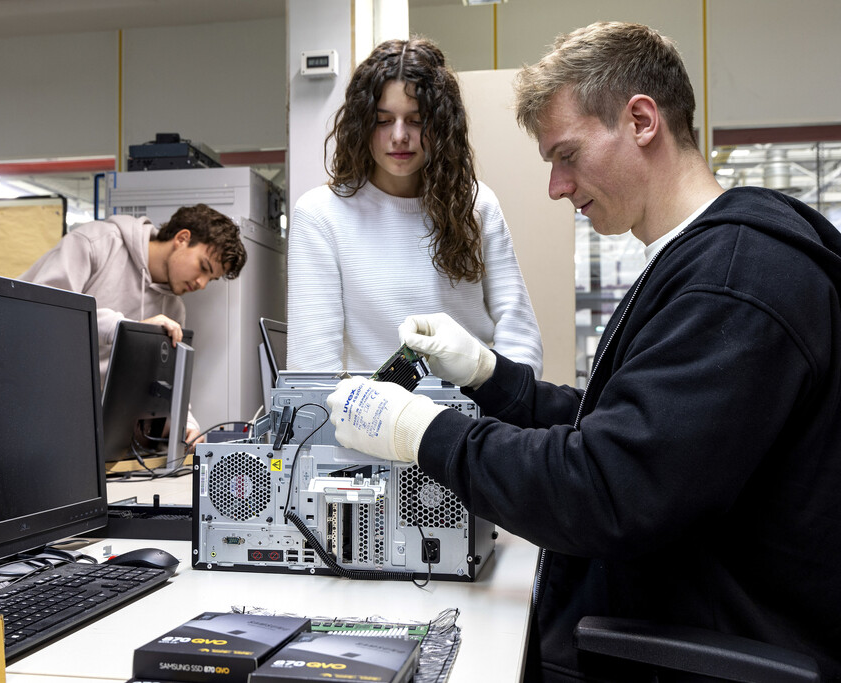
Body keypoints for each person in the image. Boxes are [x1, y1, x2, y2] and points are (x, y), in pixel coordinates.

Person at [326, 21, 841, 682]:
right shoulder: (701, 261)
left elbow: (605, 488)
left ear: (641, 121)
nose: (556, 186)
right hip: (664, 614)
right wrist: (491, 377)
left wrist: (424, 432)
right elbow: (625, 429)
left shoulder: (735, 283)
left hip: (684, 651)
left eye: (566, 155)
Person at [286, 37, 543, 377]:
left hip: (473, 409)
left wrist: (504, 401)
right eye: (383, 120)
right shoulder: (320, 214)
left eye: (416, 119)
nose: (399, 136)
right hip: (368, 410)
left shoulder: (477, 204)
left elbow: (520, 335)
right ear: (361, 124)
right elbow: (312, 367)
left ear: (441, 124)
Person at [21, 203, 247, 447]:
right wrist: (125, 330)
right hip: (28, 401)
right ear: (182, 238)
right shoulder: (95, 243)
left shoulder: (173, 310)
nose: (202, 284)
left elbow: (167, 382)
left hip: (89, 428)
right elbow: (42, 313)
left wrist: (186, 424)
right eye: (203, 267)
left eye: (210, 279)